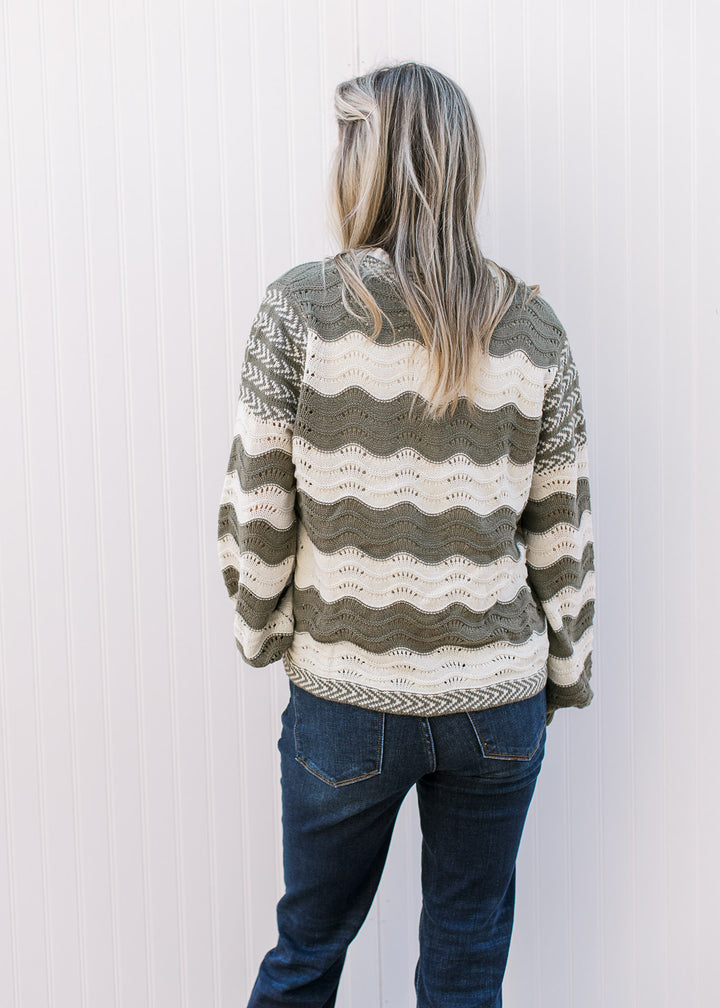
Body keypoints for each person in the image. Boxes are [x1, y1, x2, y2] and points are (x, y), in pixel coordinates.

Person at [217, 60, 595, 1008]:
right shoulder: (535, 328)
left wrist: (264, 633)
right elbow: (563, 531)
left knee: (307, 955)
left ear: (368, 164)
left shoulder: (300, 312)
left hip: (346, 695)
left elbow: (259, 514)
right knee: (466, 966)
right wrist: (564, 673)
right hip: (495, 705)